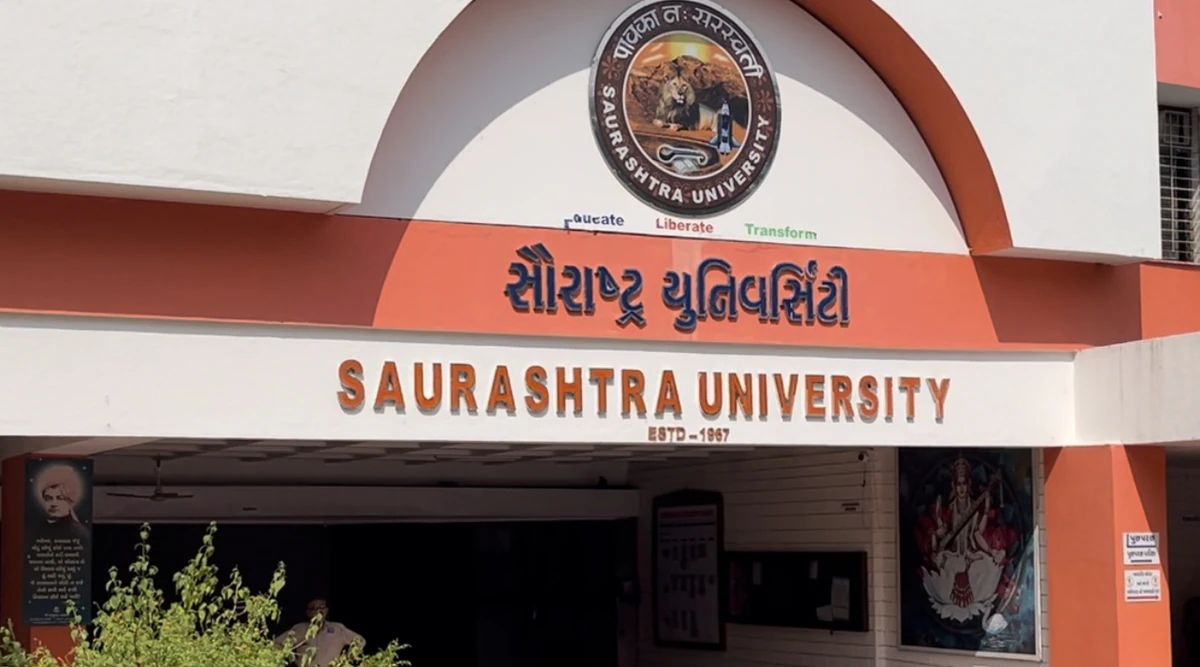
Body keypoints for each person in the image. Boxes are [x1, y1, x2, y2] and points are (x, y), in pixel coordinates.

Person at [275, 598, 364, 667]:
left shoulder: (337, 628)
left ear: (326, 610)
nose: (318, 611)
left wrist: (346, 658)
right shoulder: (300, 629)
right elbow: (277, 644)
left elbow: (360, 641)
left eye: (321, 607)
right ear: (308, 612)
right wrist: (292, 659)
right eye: (313, 608)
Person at [34, 464, 89, 541]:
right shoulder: (37, 529)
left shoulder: (78, 533)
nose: (53, 504)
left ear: (70, 501)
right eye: (48, 498)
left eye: (60, 498)